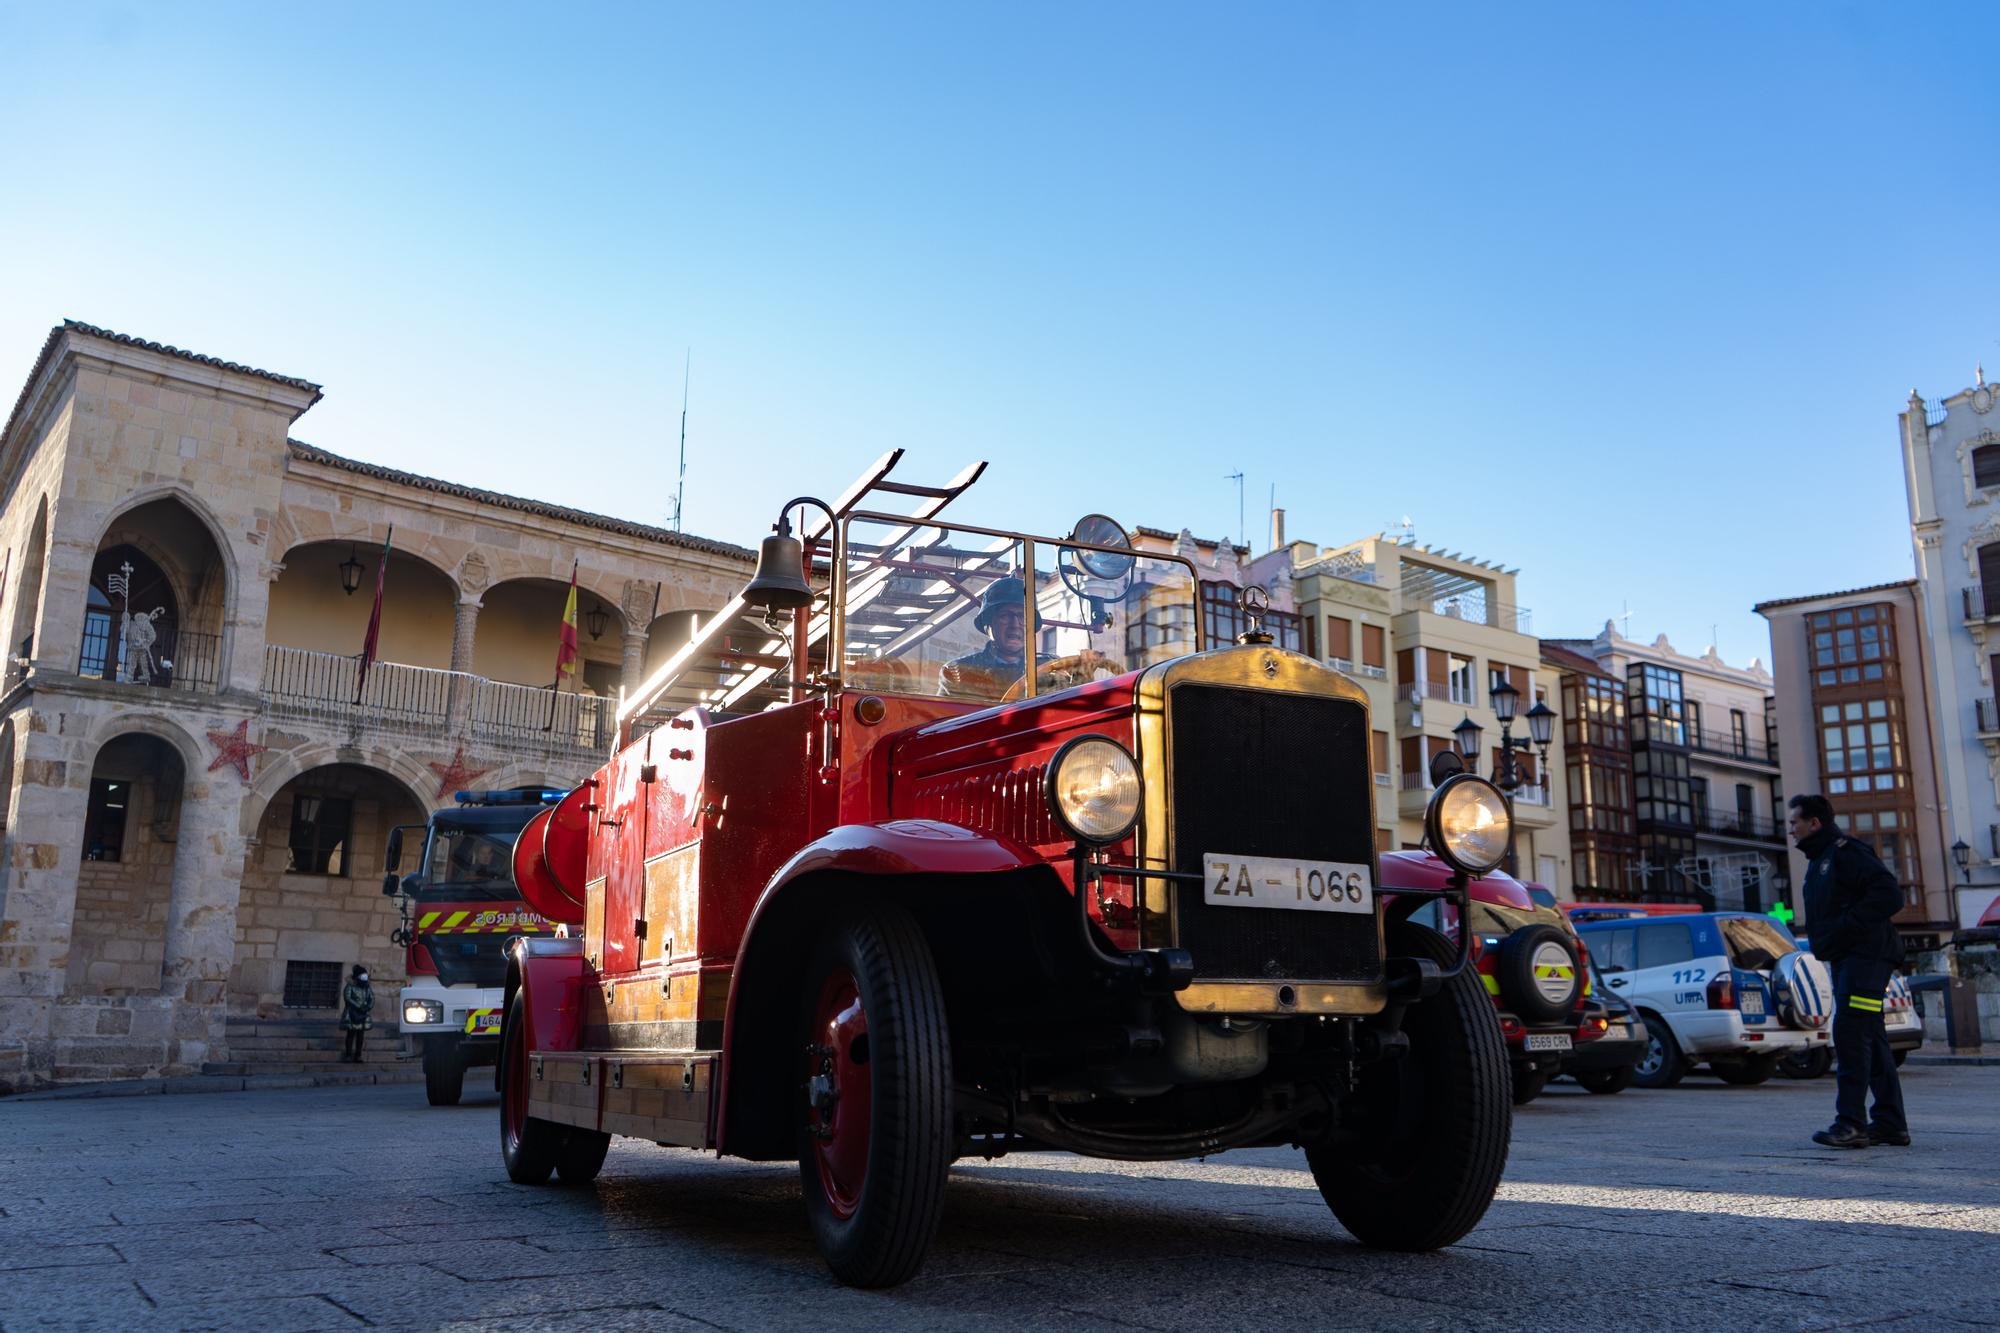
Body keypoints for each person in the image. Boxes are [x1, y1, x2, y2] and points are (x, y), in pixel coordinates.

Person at [1788, 793, 1909, 1148]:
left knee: (1851, 1035)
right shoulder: (1822, 858)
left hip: (1865, 957)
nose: (1791, 830)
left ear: (1814, 823)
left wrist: (1846, 927)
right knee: (1871, 1037)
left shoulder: (1846, 852)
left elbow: (1890, 895)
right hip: (1850, 958)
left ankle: (1851, 1123)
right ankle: (1890, 1124)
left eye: (1795, 822)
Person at [940, 577, 1033, 699]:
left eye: (1022, 617)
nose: (1015, 625)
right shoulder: (958, 673)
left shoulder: (1053, 670)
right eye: (1005, 616)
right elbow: (946, 714)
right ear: (988, 624)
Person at [339, 964, 374, 1063]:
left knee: (360, 1036)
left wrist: (368, 1007)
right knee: (351, 1034)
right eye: (363, 976)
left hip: (363, 1014)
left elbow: (371, 998)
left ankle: (358, 1055)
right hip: (352, 1014)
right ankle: (348, 1055)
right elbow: (347, 997)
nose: (365, 978)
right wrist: (359, 1007)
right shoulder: (350, 986)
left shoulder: (367, 987)